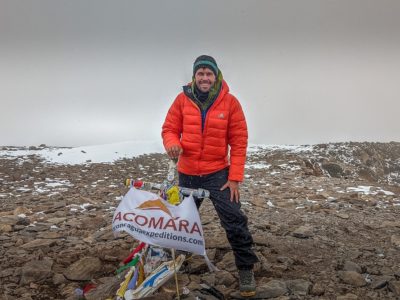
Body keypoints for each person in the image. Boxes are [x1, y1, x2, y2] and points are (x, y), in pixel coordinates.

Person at [162, 55, 259, 297]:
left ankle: (246, 269)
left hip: (218, 174)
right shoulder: (182, 100)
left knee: (234, 218)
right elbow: (169, 129)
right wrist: (172, 143)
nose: (205, 77)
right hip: (187, 173)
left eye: (209, 73)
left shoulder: (230, 103)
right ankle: (172, 259)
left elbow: (239, 141)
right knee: (180, 219)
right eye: (200, 73)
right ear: (194, 76)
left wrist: (234, 176)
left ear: (216, 76)